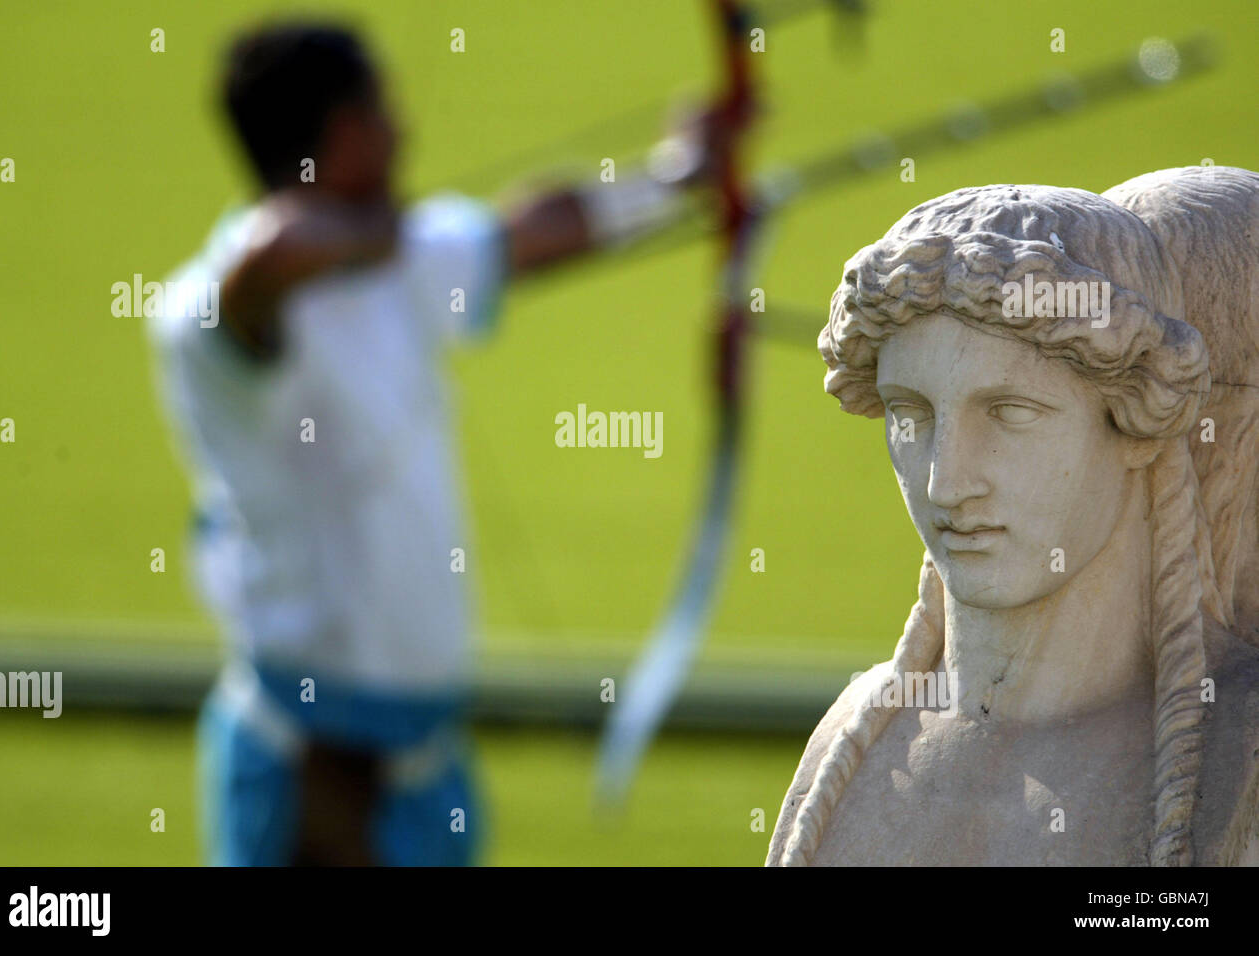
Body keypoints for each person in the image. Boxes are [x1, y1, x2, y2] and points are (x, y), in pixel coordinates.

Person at [148, 19, 728, 866]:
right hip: (315, 770)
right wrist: (386, 238)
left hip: (421, 766)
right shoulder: (205, 313)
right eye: (380, 109)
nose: (401, 129)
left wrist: (681, 180)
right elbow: (272, 257)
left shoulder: (395, 260)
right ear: (336, 134)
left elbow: (533, 230)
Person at [767, 178, 1259, 866]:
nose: (946, 482)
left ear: (1138, 421)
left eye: (1009, 413)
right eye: (911, 415)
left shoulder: (1240, 752)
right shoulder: (852, 742)